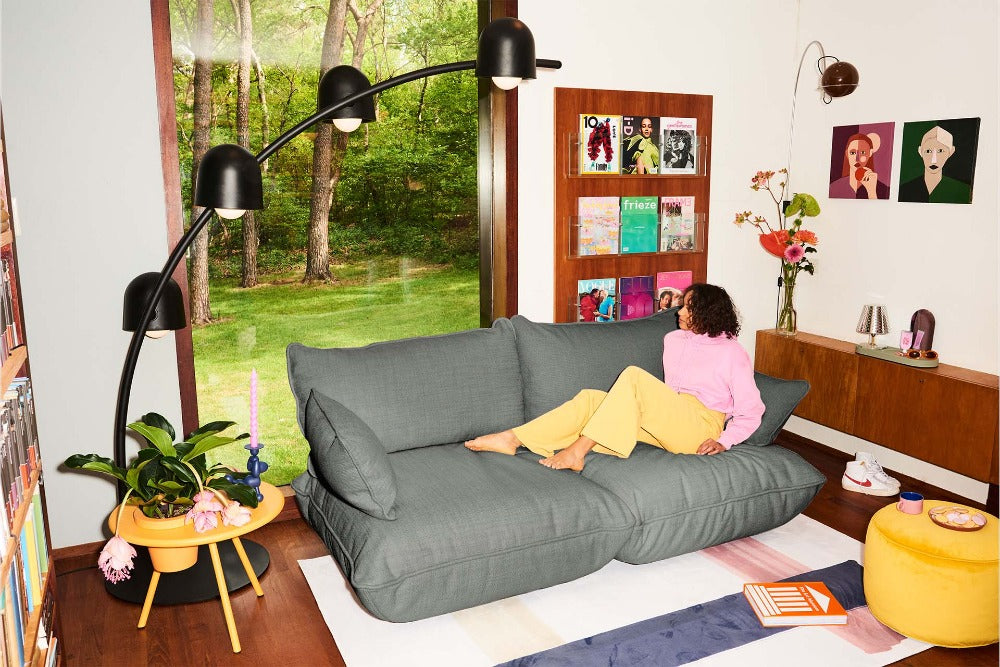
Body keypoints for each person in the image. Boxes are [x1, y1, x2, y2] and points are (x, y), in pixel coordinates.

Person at [465, 283, 765, 470]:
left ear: (708, 314)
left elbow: (752, 411)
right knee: (590, 400)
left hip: (699, 429)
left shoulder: (731, 352)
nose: (679, 312)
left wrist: (725, 441)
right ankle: (512, 438)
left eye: (688, 307)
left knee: (634, 377)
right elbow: (669, 395)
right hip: (669, 420)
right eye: (682, 304)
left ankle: (577, 452)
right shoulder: (674, 340)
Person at [898, 125, 972, 203]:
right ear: (920, 151)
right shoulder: (904, 190)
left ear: (951, 152)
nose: (934, 160)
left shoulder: (963, 191)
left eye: (940, 151)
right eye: (928, 151)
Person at [829, 132, 888, 200]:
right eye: (853, 153)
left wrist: (871, 192)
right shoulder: (834, 187)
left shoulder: (883, 189)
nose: (857, 158)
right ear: (847, 154)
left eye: (863, 152)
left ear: (870, 153)